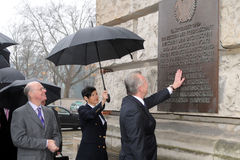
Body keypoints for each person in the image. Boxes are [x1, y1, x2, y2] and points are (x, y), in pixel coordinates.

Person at [119, 69, 185, 160]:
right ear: (140, 88)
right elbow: (136, 146)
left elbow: (153, 99)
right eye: (145, 82)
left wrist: (173, 87)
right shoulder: (132, 111)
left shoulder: (132, 102)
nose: (148, 83)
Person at [11, 81, 61, 160]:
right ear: (31, 94)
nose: (45, 91)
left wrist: (55, 145)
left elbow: (56, 134)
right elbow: (18, 139)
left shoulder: (50, 112)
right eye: (41, 89)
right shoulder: (19, 113)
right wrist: (46, 143)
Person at [75, 86, 108, 160]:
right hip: (89, 152)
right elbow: (90, 115)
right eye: (93, 95)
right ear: (86, 98)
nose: (96, 96)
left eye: (96, 94)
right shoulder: (82, 109)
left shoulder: (98, 111)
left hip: (101, 152)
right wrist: (102, 102)